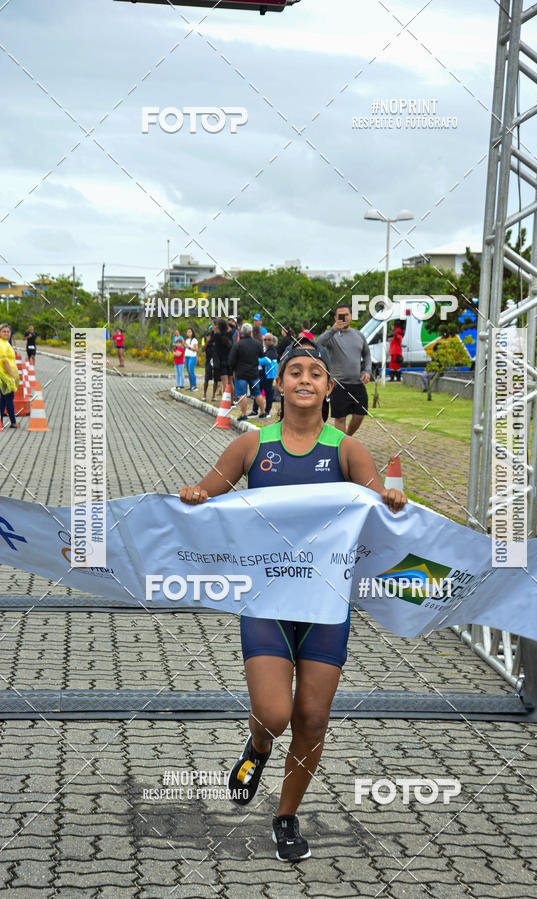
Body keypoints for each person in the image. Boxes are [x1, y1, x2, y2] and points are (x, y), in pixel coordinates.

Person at [179, 339, 407, 862]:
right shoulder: (252, 446)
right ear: (279, 384)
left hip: (326, 605)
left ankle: (285, 816)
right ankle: (258, 747)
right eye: (295, 372)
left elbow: (379, 512)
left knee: (312, 717)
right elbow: (205, 493)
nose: (305, 379)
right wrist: (196, 495)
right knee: (274, 713)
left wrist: (392, 498)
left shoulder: (347, 450)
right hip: (267, 599)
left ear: (329, 388)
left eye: (316, 373)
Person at [316, 303, 371, 436]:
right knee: (340, 418)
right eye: (340, 315)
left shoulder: (359, 335)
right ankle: (342, 446)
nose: (344, 318)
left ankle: (346, 439)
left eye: (346, 315)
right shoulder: (332, 336)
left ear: (350, 316)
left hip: (357, 383)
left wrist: (367, 370)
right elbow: (318, 343)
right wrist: (333, 330)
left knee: (360, 414)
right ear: (335, 317)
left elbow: (367, 354)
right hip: (338, 384)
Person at [228, 322, 265, 421]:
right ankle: (263, 412)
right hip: (254, 373)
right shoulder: (257, 343)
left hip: (241, 373)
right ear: (251, 332)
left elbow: (231, 360)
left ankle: (244, 414)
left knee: (242, 394)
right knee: (257, 393)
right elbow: (262, 355)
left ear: (241, 332)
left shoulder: (238, 345)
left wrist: (233, 369)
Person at [252, 333, 278, 418]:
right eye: (265, 339)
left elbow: (266, 360)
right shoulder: (264, 349)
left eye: (269, 339)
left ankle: (267, 411)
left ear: (272, 341)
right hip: (261, 374)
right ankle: (254, 410)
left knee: (268, 393)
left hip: (268, 375)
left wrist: (254, 359)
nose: (266, 341)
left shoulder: (272, 350)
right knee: (257, 391)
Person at [0, 322, 20, 429]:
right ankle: (13, 422)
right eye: (4, 331)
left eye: (8, 332)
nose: (6, 333)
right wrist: (12, 375)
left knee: (3, 399)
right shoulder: (2, 344)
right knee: (9, 399)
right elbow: (4, 361)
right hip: (5, 376)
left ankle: (1, 422)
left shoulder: (6, 343)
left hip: (4, 376)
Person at [212, 318, 233, 397]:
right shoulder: (229, 334)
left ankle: (226, 402)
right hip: (230, 361)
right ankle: (231, 401)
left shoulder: (217, 336)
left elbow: (215, 348)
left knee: (225, 383)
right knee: (230, 383)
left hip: (222, 362)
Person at [202, 325, 218, 401]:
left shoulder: (218, 336)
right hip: (208, 359)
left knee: (216, 378)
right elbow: (202, 349)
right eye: (210, 328)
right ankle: (204, 394)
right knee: (207, 378)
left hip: (216, 359)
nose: (212, 329)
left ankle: (213, 395)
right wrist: (207, 341)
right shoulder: (205, 336)